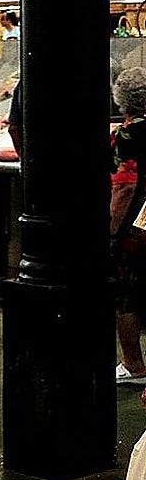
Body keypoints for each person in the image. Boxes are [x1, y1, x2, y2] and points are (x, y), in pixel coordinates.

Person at [110, 67, 146, 384]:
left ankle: (133, 364)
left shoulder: (127, 135)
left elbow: (125, 186)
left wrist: (110, 230)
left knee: (125, 294)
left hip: (136, 227)